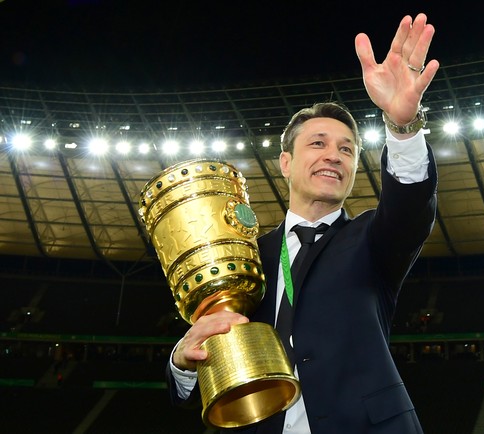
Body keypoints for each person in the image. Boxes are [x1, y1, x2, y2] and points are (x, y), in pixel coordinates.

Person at [167, 12, 439, 434]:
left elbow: (410, 206)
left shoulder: (372, 239)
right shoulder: (245, 260)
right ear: (286, 164)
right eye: (318, 143)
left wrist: (402, 127)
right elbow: (197, 384)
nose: (334, 155)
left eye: (347, 150)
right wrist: (182, 361)